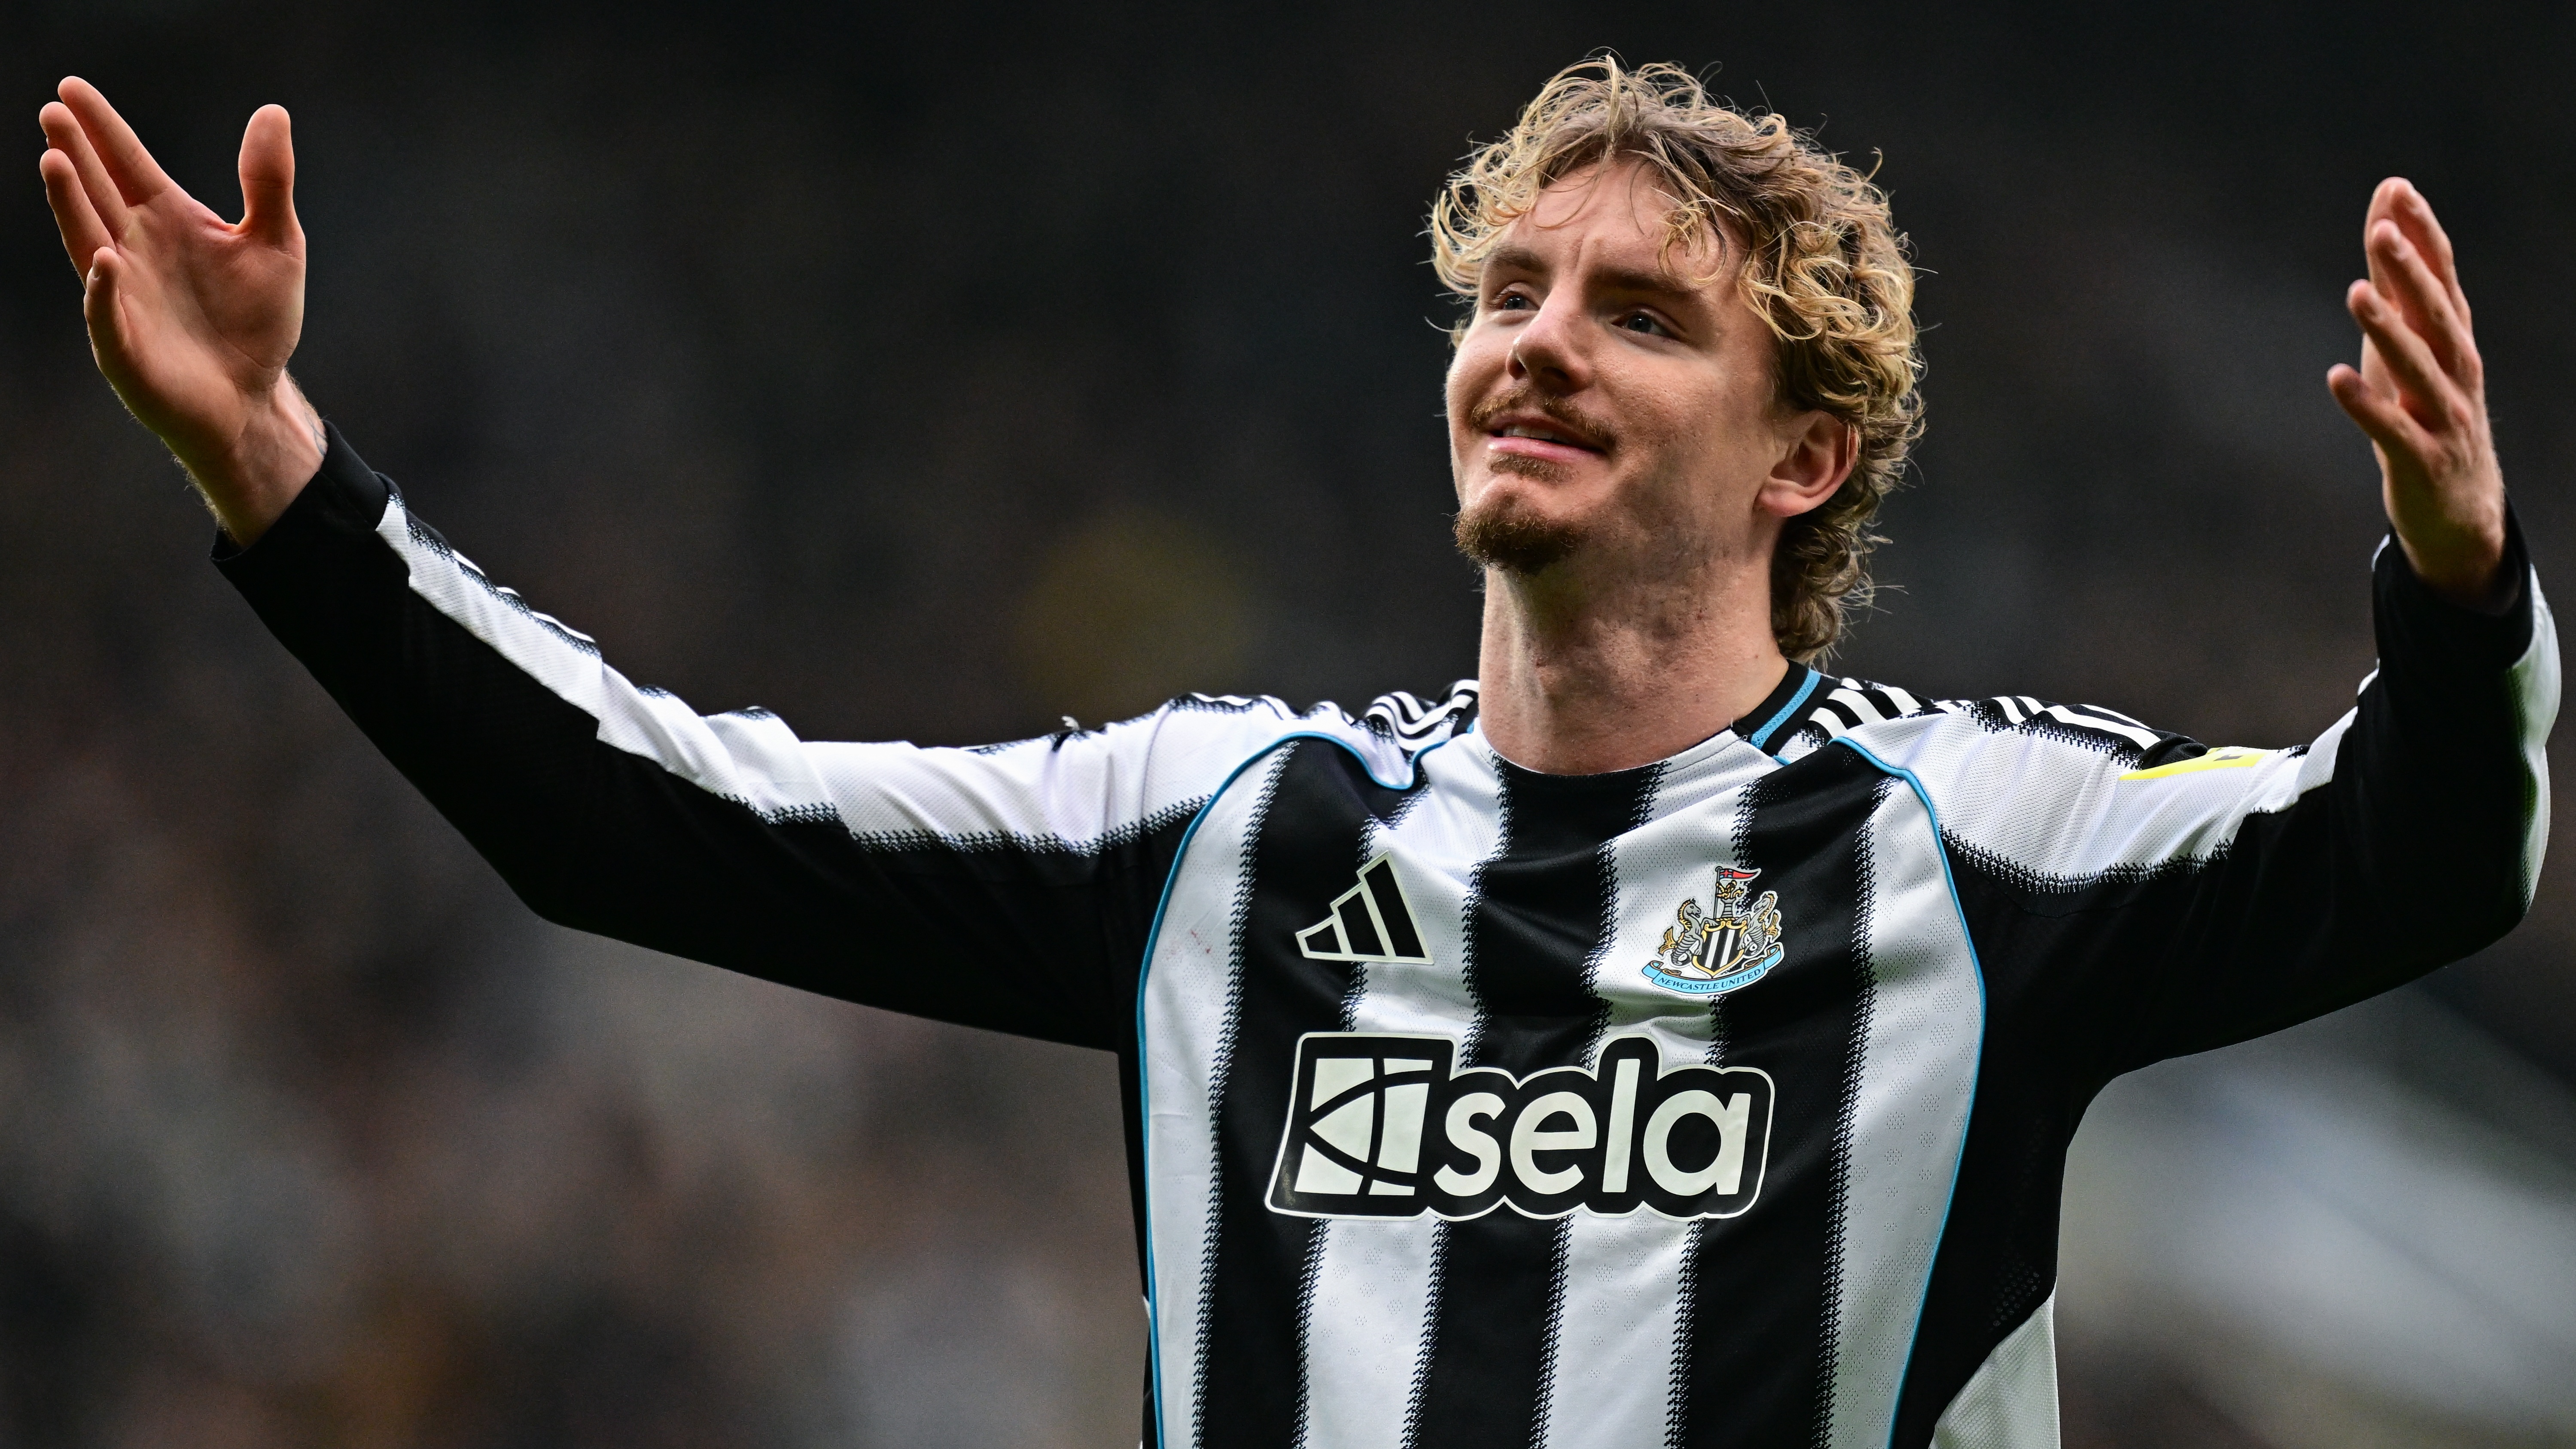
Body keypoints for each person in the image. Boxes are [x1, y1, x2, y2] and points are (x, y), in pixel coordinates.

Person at [36, 55, 2553, 1449]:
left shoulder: (1969, 837)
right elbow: (649, 817)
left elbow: (2422, 860)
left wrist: (2452, 600)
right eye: (1511, 288)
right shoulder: (1233, 827)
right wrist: (285, 481)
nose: (1537, 338)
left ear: (1806, 459)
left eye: (1642, 314)